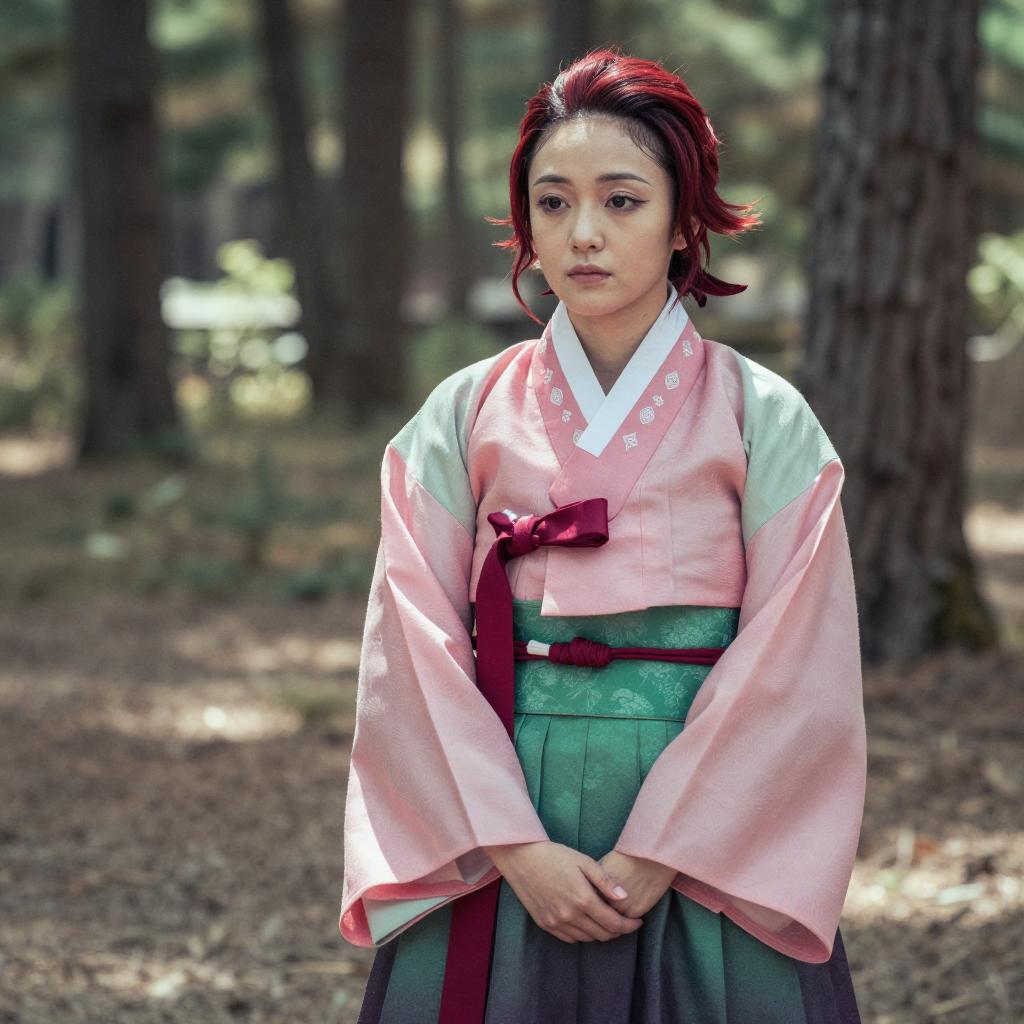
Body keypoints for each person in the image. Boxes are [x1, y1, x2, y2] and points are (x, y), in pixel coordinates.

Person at [340, 46, 866, 1024]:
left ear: (681, 220)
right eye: (552, 203)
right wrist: (514, 849)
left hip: (706, 816)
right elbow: (406, 649)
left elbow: (797, 664)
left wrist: (657, 851)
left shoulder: (764, 416)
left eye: (620, 201)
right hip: (508, 809)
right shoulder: (463, 413)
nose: (582, 232)